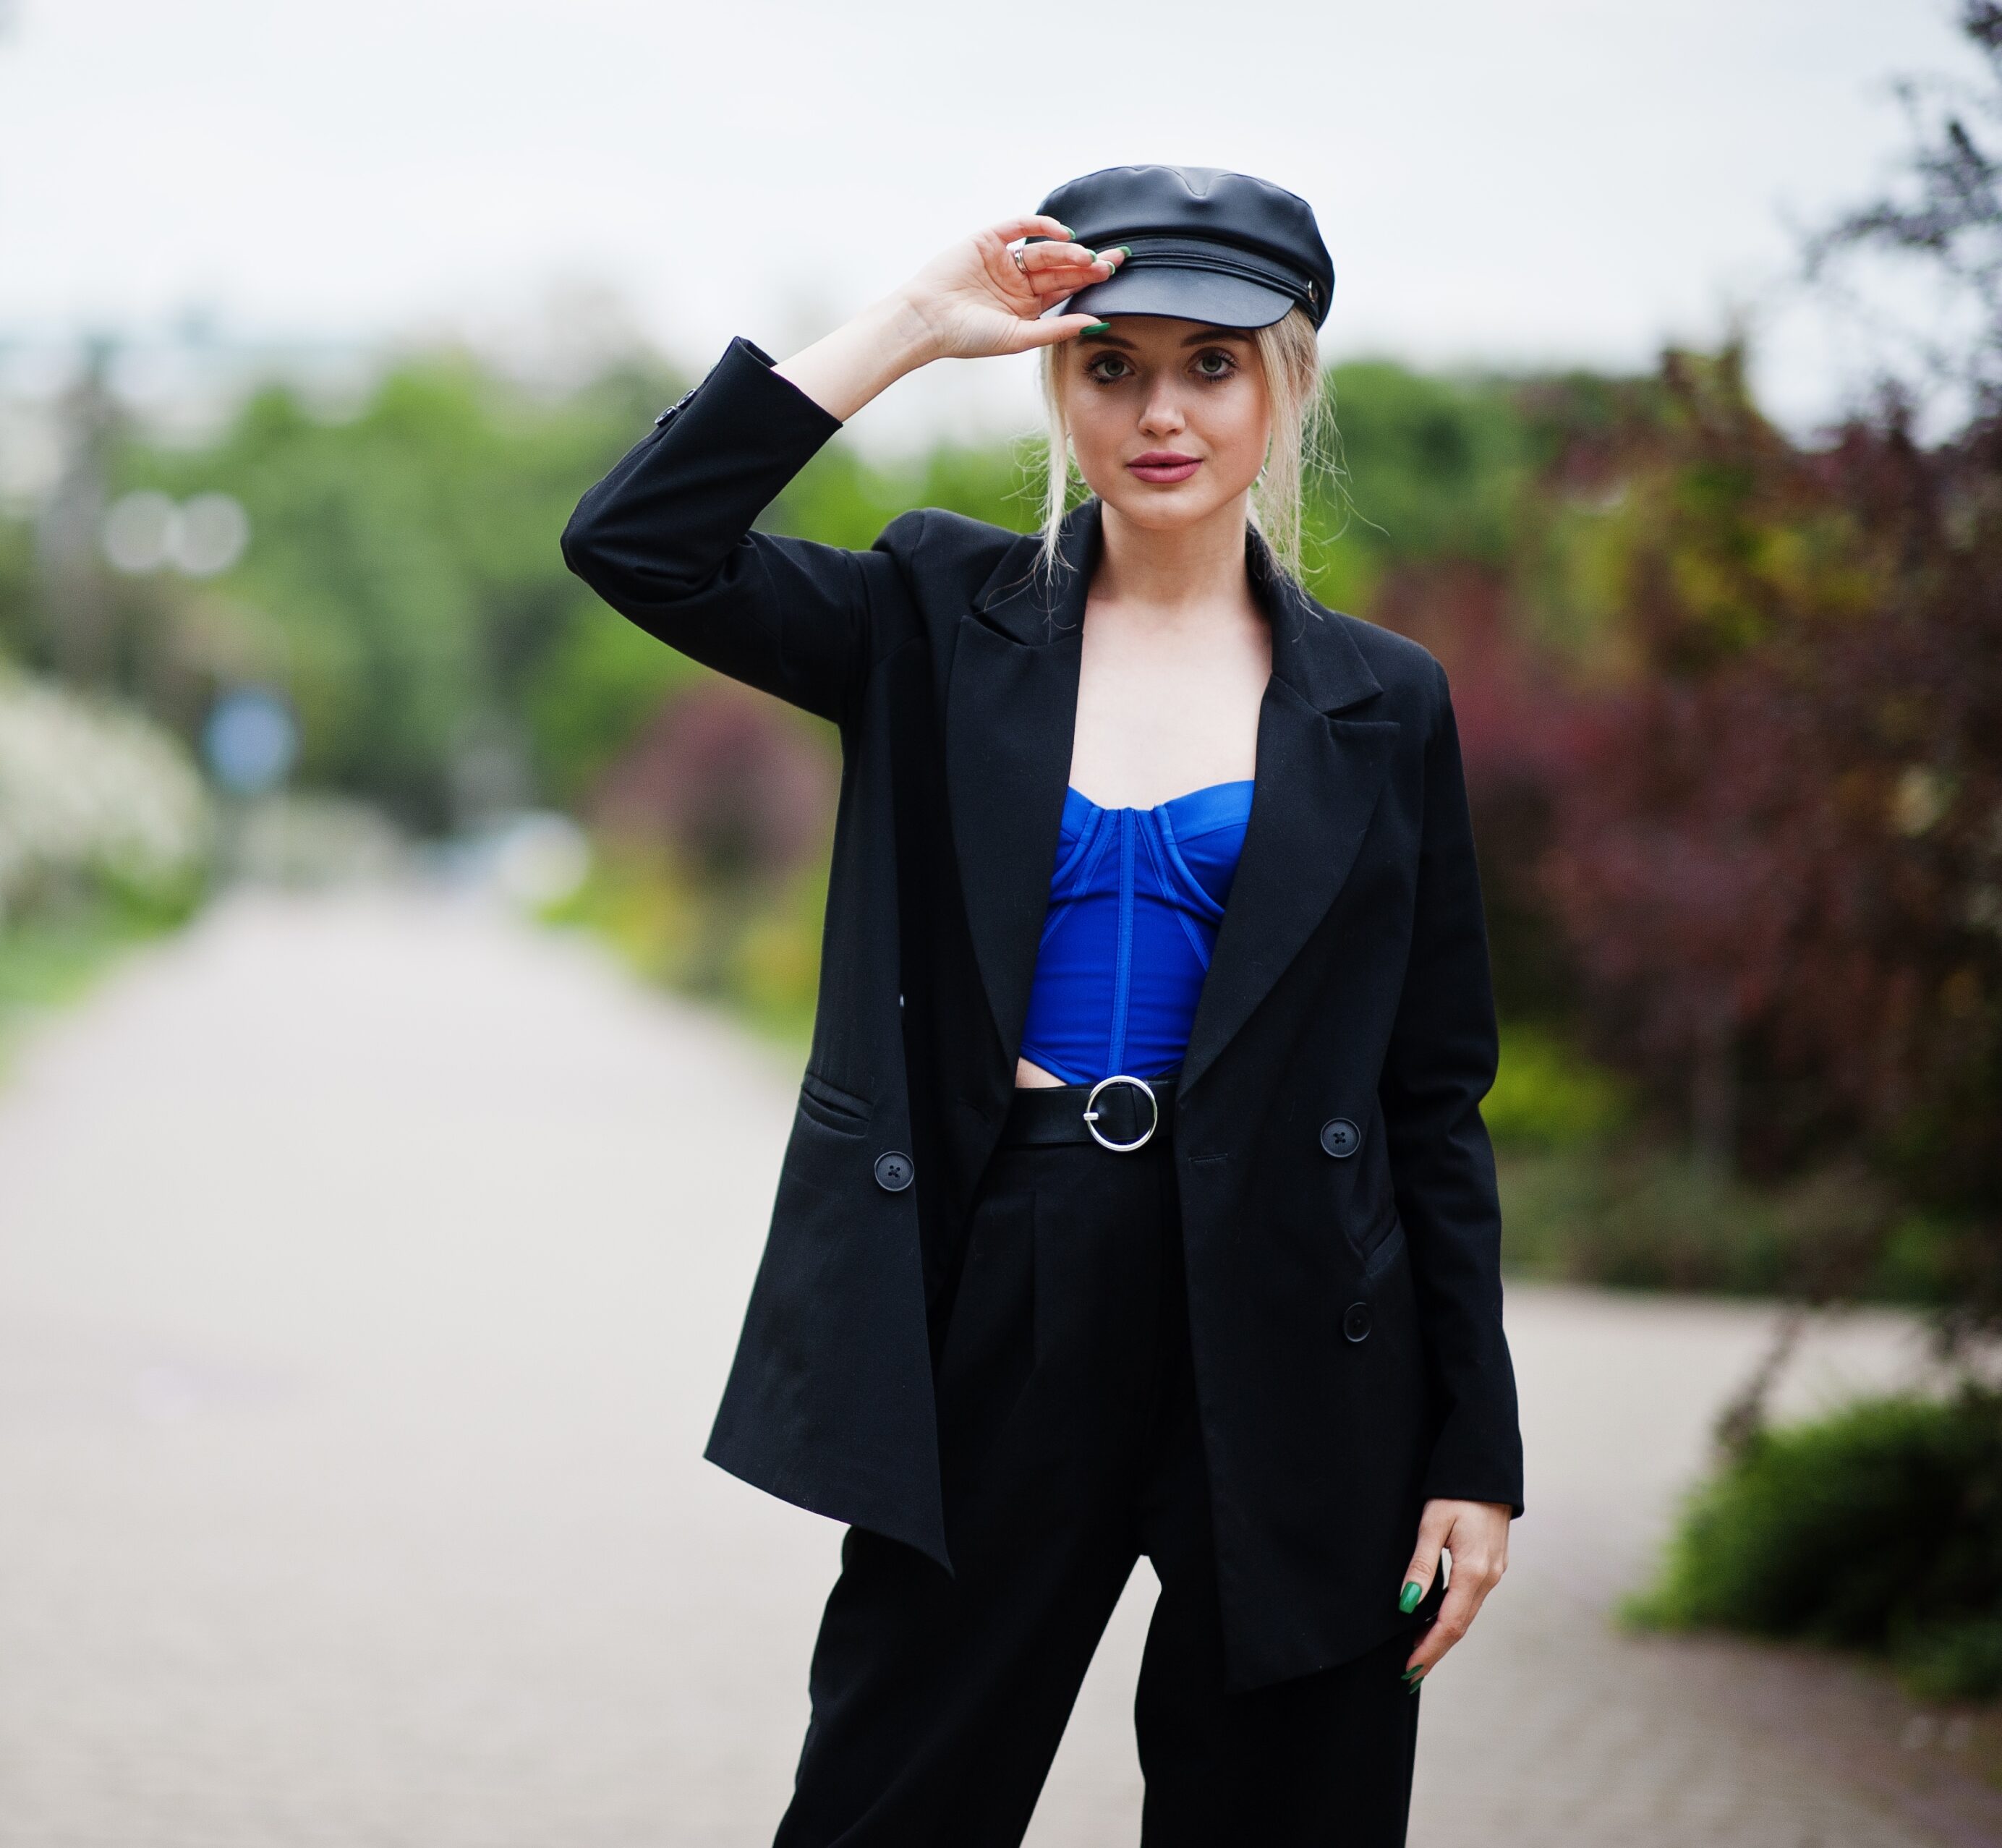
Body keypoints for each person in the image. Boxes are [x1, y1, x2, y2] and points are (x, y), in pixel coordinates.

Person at [560, 165, 1522, 1847]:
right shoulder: (935, 618)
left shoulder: (1387, 704)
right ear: (1057, 383)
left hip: (1305, 1326)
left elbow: (1434, 1091)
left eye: (1211, 367)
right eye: (1113, 365)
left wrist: (1476, 1449)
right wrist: (914, 327)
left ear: (1285, 383)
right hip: (1011, 1273)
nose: (1162, 411)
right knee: (890, 1803)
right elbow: (638, 538)